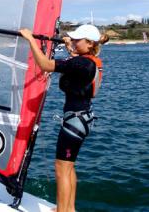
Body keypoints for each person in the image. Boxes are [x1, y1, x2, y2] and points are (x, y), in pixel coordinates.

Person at [20, 24, 109, 212]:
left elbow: (45, 64)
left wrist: (30, 39)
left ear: (90, 43)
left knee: (61, 169)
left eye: (78, 40)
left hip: (74, 123)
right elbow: (74, 63)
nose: (75, 42)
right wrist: (72, 47)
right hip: (83, 119)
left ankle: (62, 211)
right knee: (69, 167)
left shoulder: (81, 64)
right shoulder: (90, 61)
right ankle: (69, 209)